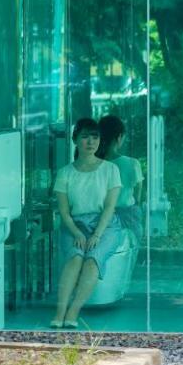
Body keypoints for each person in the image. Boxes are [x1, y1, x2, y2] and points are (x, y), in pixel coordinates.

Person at [52, 118, 122, 328]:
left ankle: (73, 312)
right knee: (74, 258)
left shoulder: (110, 170)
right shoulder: (65, 173)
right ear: (75, 140)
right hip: (74, 225)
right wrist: (77, 233)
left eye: (95, 137)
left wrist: (97, 235)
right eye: (85, 137)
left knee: (93, 259)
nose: (90, 141)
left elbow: (110, 207)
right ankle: (59, 312)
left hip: (105, 225)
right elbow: (64, 212)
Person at [97, 115, 144, 241]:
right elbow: (137, 197)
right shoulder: (132, 164)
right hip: (127, 218)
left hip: (99, 219)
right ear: (119, 137)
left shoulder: (92, 165)